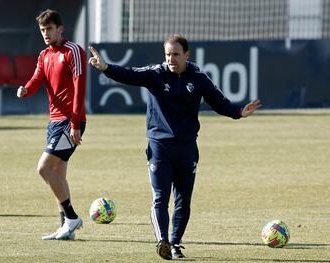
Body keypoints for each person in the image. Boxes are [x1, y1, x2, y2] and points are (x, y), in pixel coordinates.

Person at [89, 35, 260, 260]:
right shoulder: (155, 74)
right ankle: (163, 241)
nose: (171, 58)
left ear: (187, 55)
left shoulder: (198, 77)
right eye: (168, 54)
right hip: (160, 147)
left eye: (176, 54)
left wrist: (239, 112)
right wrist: (105, 68)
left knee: (183, 200)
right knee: (160, 197)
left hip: (187, 147)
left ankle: (176, 243)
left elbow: (219, 102)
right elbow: (129, 74)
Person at [17, 9, 87, 240]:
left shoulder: (73, 51)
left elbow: (79, 88)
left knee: (44, 168)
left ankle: (72, 217)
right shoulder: (44, 55)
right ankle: (66, 228)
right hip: (54, 123)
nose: (45, 33)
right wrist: (26, 89)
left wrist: (75, 123)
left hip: (70, 121)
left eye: (49, 29)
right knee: (58, 174)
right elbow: (38, 78)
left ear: (60, 28)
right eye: (42, 30)